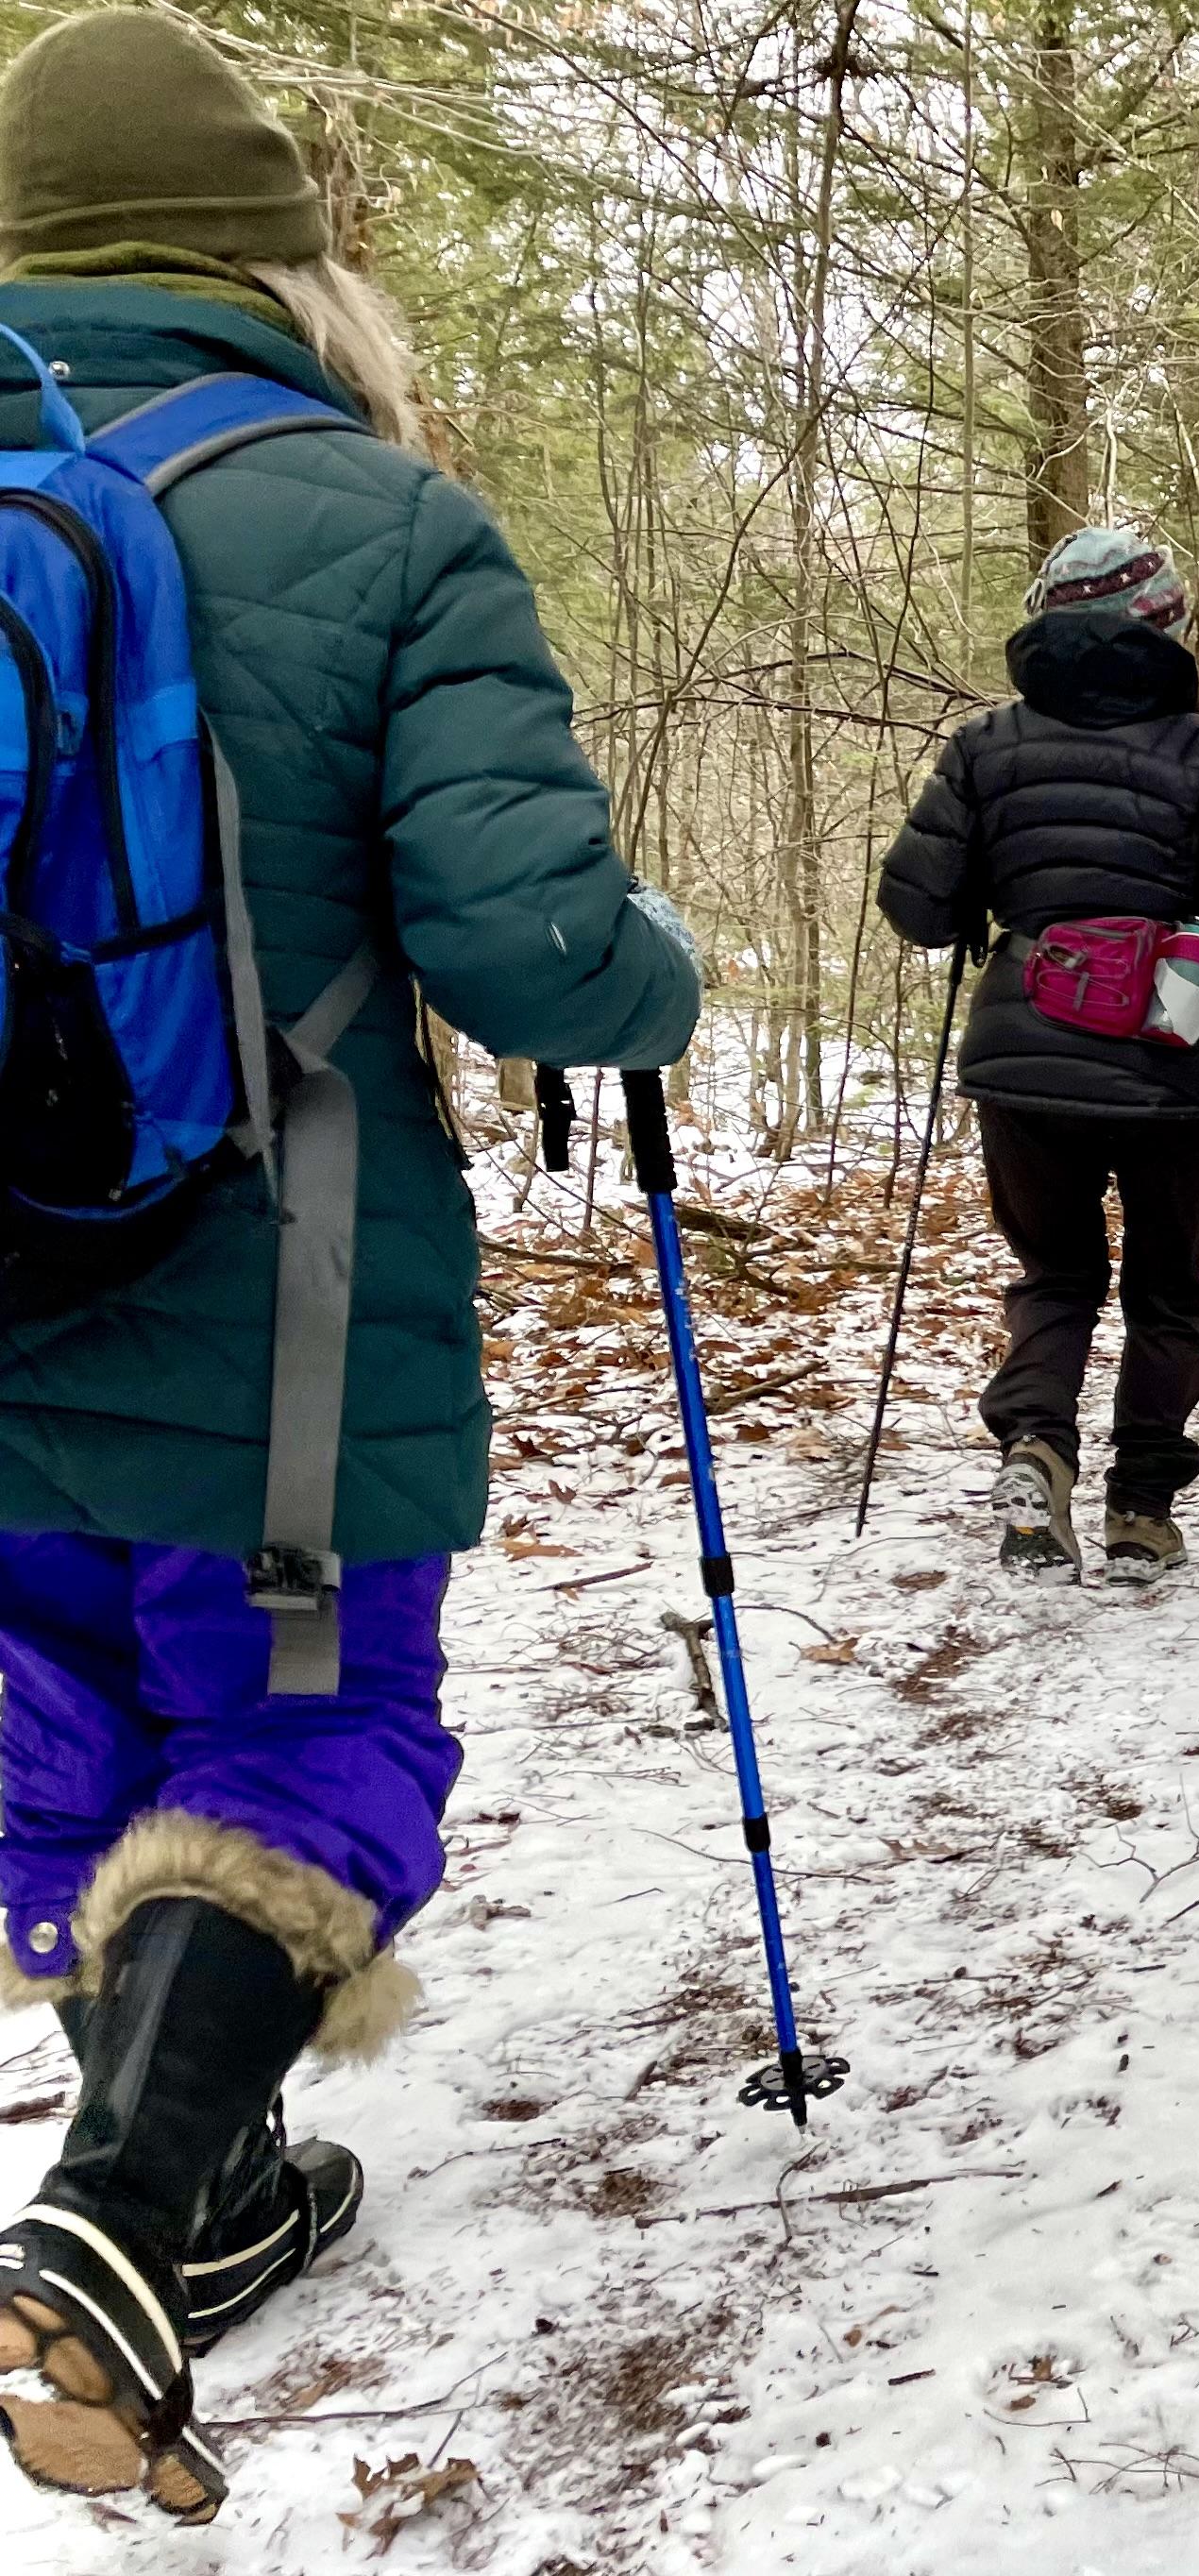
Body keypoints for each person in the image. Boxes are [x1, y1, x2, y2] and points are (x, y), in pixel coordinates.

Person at [0, 10, 703, 2519]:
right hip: (270, 1305)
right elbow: (529, 955)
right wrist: (657, 962)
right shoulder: (378, 519)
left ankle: (188, 2190)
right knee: (291, 1738)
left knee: (55, 1731)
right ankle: (103, 2212)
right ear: (264, 250)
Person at [877, 527, 1199, 1582]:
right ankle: (1141, 1507)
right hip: (1175, 1067)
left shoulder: (984, 748)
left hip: (1026, 1062)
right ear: (1164, 624)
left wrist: (998, 892)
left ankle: (1035, 1446)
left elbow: (917, 911)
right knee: (1166, 1287)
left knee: (1054, 1272)